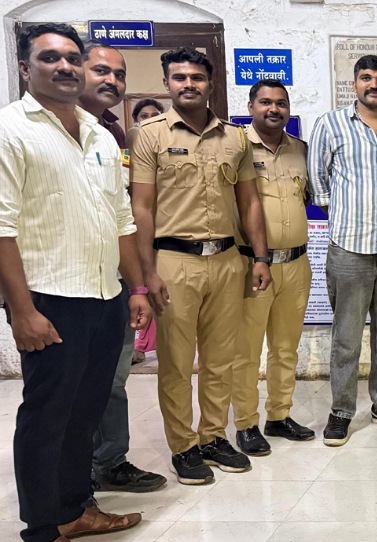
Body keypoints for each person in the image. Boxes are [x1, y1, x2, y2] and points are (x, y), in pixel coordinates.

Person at [0, 22, 149, 542]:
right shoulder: (10, 130)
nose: (64, 66)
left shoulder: (99, 135)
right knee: (47, 420)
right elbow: (1, 228)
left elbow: (121, 219)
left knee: (85, 412)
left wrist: (134, 288)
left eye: (71, 58)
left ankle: (75, 511)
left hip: (103, 294)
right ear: (25, 68)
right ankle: (40, 538)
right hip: (49, 299)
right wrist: (22, 310)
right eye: (49, 58)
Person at [131, 47, 273, 485]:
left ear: (211, 84)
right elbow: (142, 207)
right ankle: (184, 446)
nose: (188, 84)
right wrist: (146, 275)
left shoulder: (235, 138)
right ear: (167, 84)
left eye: (197, 77)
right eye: (180, 77)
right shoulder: (150, 135)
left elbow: (249, 202)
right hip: (174, 261)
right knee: (176, 363)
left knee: (220, 359)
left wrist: (260, 256)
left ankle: (213, 436)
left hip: (227, 260)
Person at [309, 55, 377, 446]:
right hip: (350, 250)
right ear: (354, 83)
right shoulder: (331, 124)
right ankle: (341, 411)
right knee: (347, 338)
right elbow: (318, 183)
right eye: (367, 77)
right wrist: (346, 218)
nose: (374, 84)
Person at [77, 39, 167, 492]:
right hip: (65, 287)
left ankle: (109, 462)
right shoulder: (31, 130)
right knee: (67, 388)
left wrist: (138, 284)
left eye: (119, 73)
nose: (111, 80)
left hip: (113, 279)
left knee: (111, 379)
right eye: (101, 70)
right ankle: (68, 485)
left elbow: (122, 216)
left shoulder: (112, 134)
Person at [232, 79, 316, 456]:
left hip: (296, 264)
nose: (274, 109)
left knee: (285, 348)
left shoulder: (301, 150)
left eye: (281, 103)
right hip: (253, 266)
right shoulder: (237, 147)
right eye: (265, 102)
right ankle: (246, 423)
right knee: (247, 350)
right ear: (251, 106)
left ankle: (279, 415)